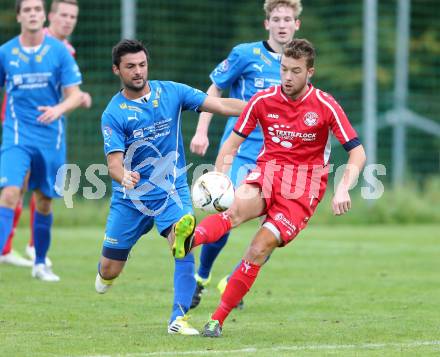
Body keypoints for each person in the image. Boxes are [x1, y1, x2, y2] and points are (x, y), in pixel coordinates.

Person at [179, 39, 367, 337]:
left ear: (310, 73)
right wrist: (219, 177)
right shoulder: (263, 100)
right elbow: (232, 142)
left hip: (303, 190)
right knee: (234, 210)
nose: (287, 77)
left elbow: (357, 152)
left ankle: (216, 320)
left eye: (295, 71)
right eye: (283, 70)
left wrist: (344, 187)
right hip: (268, 172)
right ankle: (187, 240)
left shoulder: (325, 104)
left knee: (258, 248)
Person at [94, 39, 246, 335]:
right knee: (109, 269)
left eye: (142, 65)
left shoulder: (172, 92)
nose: (138, 71)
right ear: (117, 70)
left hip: (169, 191)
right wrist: (124, 175)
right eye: (130, 67)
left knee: (183, 241)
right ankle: (105, 278)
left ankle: (178, 320)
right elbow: (113, 164)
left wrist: (261, 106)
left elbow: (222, 104)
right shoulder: (113, 113)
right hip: (130, 199)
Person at [189, 0, 302, 308]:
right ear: (267, 23)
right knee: (227, 215)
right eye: (276, 18)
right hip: (240, 153)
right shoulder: (245, 54)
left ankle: (233, 279)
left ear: (296, 25)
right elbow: (214, 90)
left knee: (279, 229)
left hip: (280, 158)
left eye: (287, 19)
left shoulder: (298, 64)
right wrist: (202, 131)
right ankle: (202, 277)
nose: (281, 24)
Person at [0, 0, 92, 268]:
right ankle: (6, 247)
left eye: (72, 16)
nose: (68, 20)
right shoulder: (13, 49)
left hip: (49, 133)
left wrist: (71, 102)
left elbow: (70, 92)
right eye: (63, 15)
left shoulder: (63, 51)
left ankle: (35, 253)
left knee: (42, 196)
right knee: (12, 189)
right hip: (18, 130)